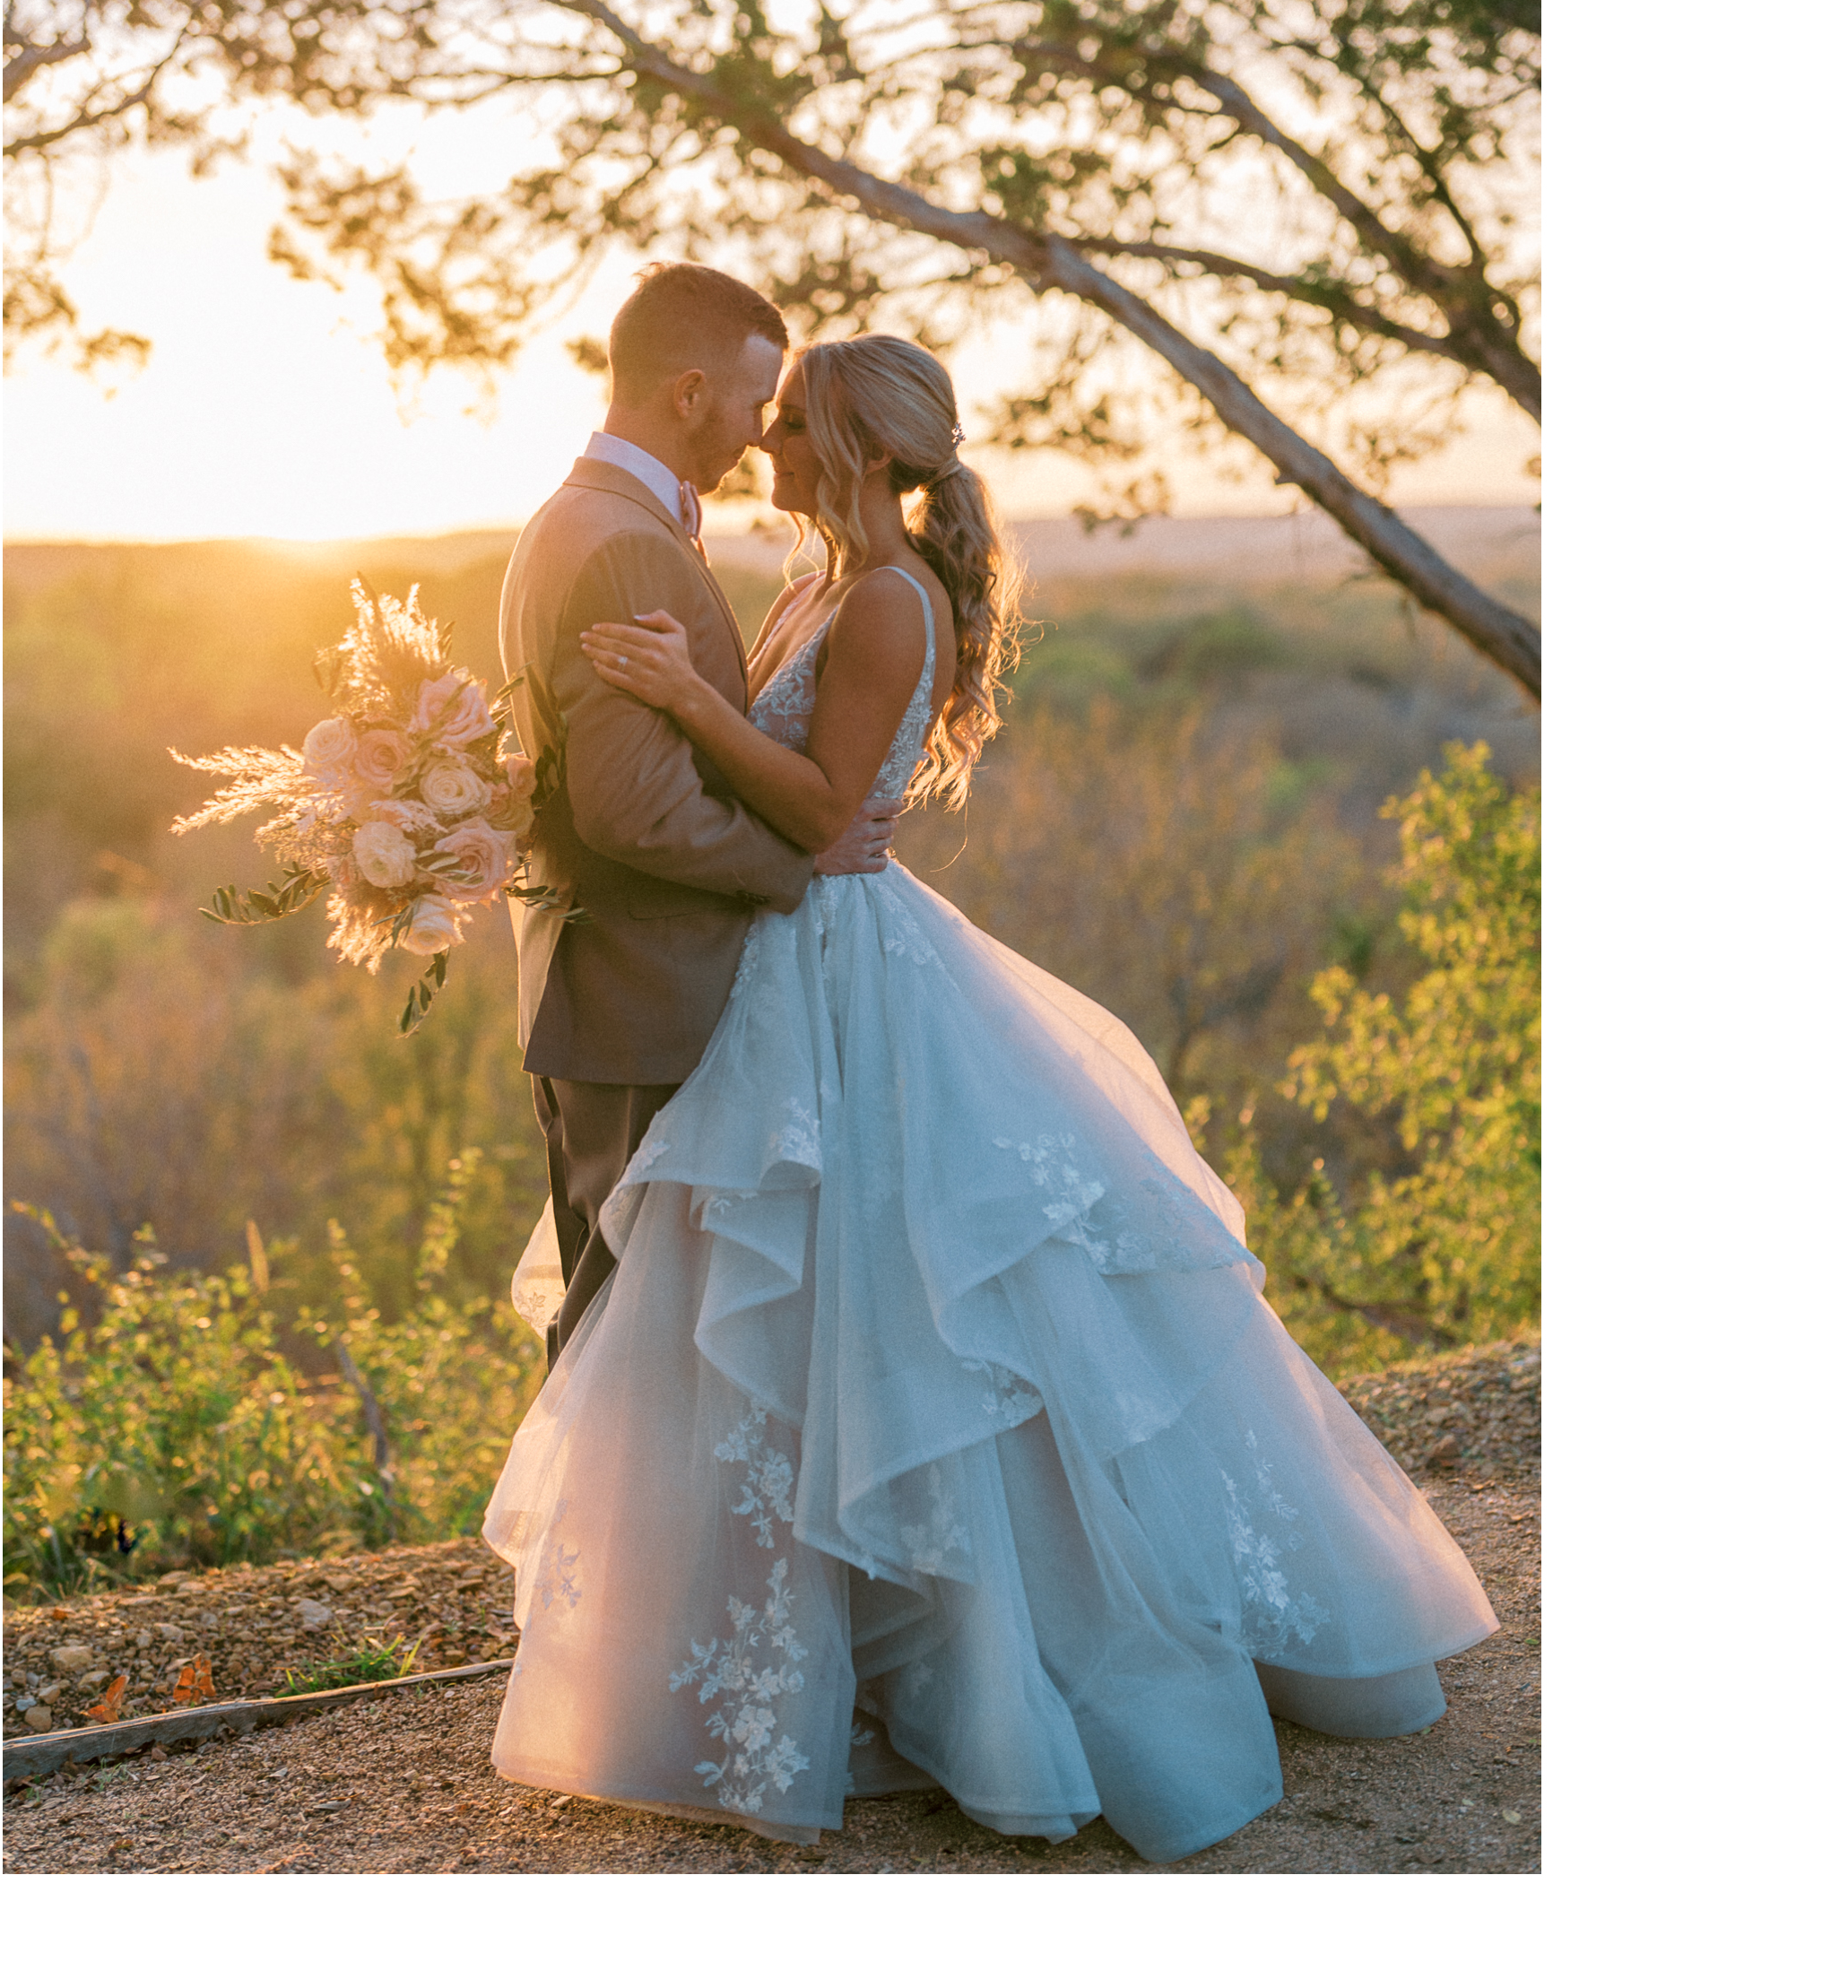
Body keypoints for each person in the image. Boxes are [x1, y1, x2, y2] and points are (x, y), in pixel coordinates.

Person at [484, 330, 1497, 1865]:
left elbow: (827, 810)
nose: (766, 443)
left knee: (916, 1314)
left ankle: (998, 1669)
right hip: (792, 966)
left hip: (849, 971)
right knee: (796, 1320)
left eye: (797, 423)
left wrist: (692, 704)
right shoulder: (815, 577)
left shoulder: (889, 599)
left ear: (864, 449)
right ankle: (790, 1647)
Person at [497, 263, 901, 1369]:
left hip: (602, 985)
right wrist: (799, 861)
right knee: (633, 1333)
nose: (759, 437)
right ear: (686, 394)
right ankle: (604, 1547)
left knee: (628, 1319)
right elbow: (634, 808)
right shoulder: (627, 540)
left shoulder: (571, 518)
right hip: (647, 988)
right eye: (752, 406)